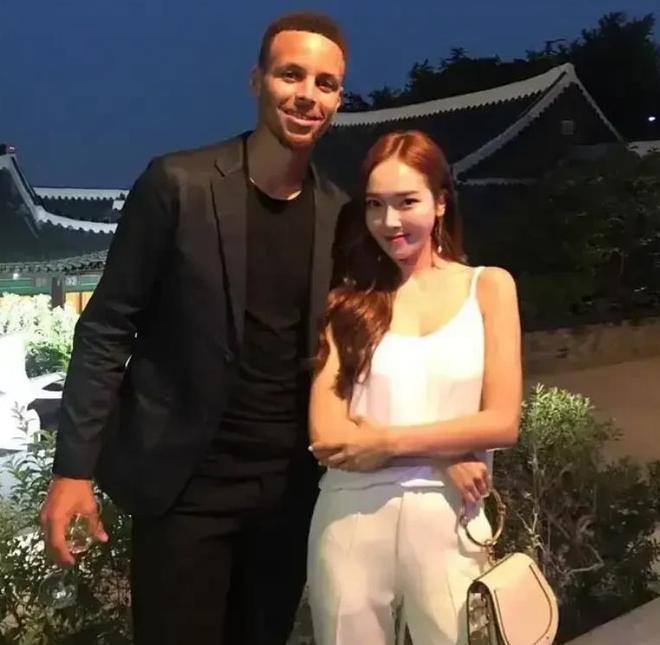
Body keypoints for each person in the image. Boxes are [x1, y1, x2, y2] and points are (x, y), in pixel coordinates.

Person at [39, 12, 348, 645]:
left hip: (289, 492)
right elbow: (107, 328)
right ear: (257, 80)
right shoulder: (178, 184)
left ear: (338, 100)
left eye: (326, 83)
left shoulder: (338, 211)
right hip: (185, 488)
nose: (307, 95)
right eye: (291, 75)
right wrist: (73, 469)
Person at [307, 130, 522, 645]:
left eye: (407, 202)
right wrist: (443, 453)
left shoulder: (489, 286)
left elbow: (501, 422)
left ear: (440, 202)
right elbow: (328, 435)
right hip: (350, 516)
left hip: (452, 519)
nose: (390, 221)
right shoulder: (348, 305)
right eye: (375, 205)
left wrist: (385, 441)